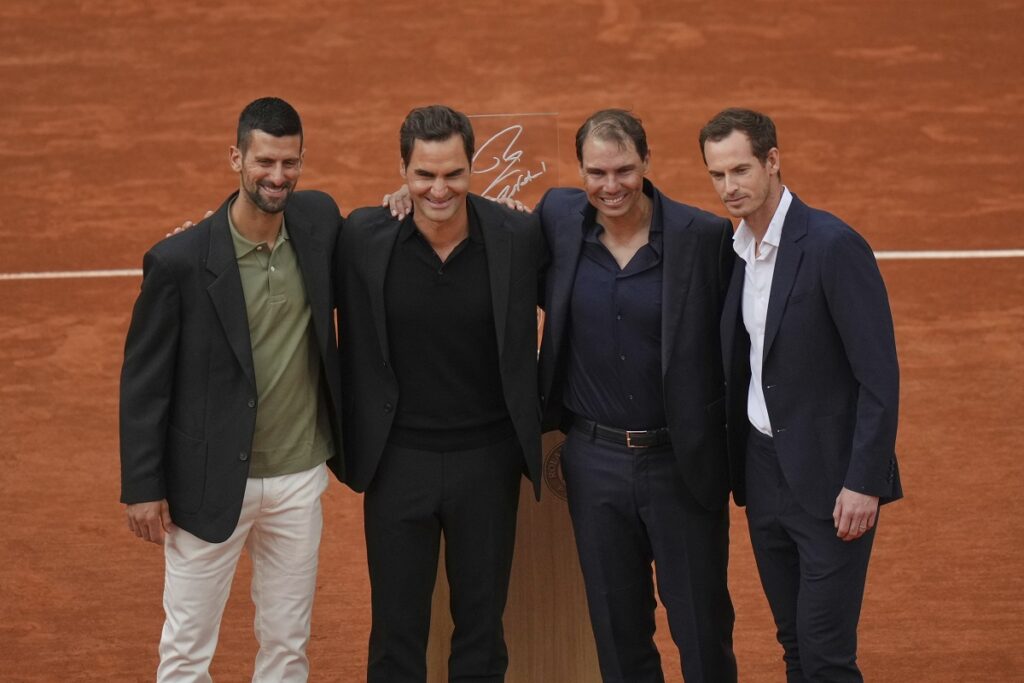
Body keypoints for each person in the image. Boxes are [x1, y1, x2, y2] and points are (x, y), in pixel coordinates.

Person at [119, 97, 345, 682]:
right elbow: (145, 383)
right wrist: (144, 486)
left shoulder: (319, 222)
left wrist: (404, 197)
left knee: (287, 645)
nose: (277, 177)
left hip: (298, 478)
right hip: (208, 482)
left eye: (290, 163)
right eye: (264, 161)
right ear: (235, 159)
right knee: (187, 651)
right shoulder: (180, 261)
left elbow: (377, 237)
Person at [336, 104, 547, 683]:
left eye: (453, 174)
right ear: (402, 172)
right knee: (396, 632)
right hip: (397, 463)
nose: (439, 188)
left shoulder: (517, 234)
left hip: (488, 462)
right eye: (424, 175)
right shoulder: (363, 236)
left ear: (473, 167)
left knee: (481, 631)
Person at [534, 109, 737, 683]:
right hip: (593, 464)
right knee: (618, 633)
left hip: (681, 462)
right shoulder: (557, 217)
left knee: (702, 628)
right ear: (580, 171)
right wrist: (407, 196)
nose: (611, 186)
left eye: (624, 170)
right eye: (596, 172)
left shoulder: (704, 237)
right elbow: (478, 226)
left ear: (647, 163)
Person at [701, 107, 902, 682]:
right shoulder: (736, 250)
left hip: (832, 483)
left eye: (740, 170)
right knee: (793, 645)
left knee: (826, 656)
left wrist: (864, 480)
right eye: (717, 176)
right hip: (764, 474)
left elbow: (879, 376)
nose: (729, 188)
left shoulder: (833, 246)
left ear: (773, 161)